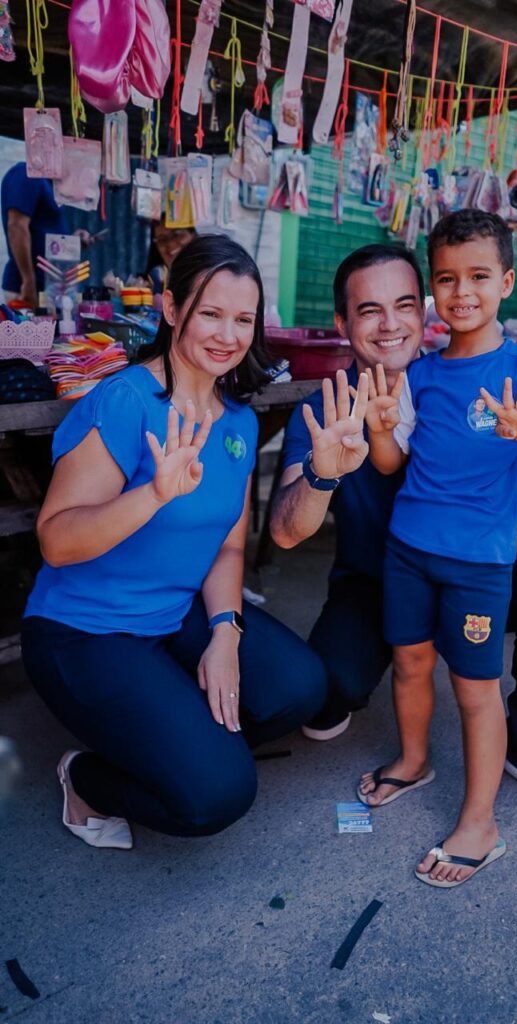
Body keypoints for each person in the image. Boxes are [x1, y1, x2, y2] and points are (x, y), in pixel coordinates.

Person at [270, 241, 517, 844]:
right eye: (368, 310)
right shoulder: (325, 408)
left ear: (424, 308)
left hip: (470, 566)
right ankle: (405, 749)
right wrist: (329, 468)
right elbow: (284, 531)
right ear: (342, 323)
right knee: (326, 691)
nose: (389, 324)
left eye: (404, 304)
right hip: (379, 578)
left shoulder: (455, 375)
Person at [21, 235, 326, 850]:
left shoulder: (238, 420)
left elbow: (230, 549)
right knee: (218, 794)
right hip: (84, 631)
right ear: (169, 307)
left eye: (243, 319)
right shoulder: (126, 400)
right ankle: (84, 777)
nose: (228, 335)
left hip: (174, 615)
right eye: (210, 313)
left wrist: (225, 633)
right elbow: (55, 541)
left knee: (301, 688)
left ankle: (176, 728)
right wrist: (154, 495)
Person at [1, 161, 68, 307]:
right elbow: (16, 226)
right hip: (26, 289)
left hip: (48, 289)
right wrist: (28, 281)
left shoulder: (49, 183)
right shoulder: (26, 173)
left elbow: (46, 230)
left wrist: (74, 241)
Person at [145, 222, 197, 293]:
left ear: (193, 235)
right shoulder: (152, 285)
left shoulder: (211, 274)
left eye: (176, 235)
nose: (170, 244)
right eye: (162, 239)